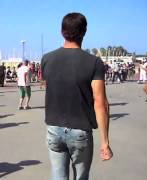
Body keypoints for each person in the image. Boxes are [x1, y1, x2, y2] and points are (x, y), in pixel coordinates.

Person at [41, 13, 113, 179]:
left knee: (58, 175)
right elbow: (100, 103)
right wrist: (105, 142)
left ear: (62, 31)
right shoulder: (93, 62)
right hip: (80, 130)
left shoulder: (47, 59)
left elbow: (50, 85)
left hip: (54, 128)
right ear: (84, 32)